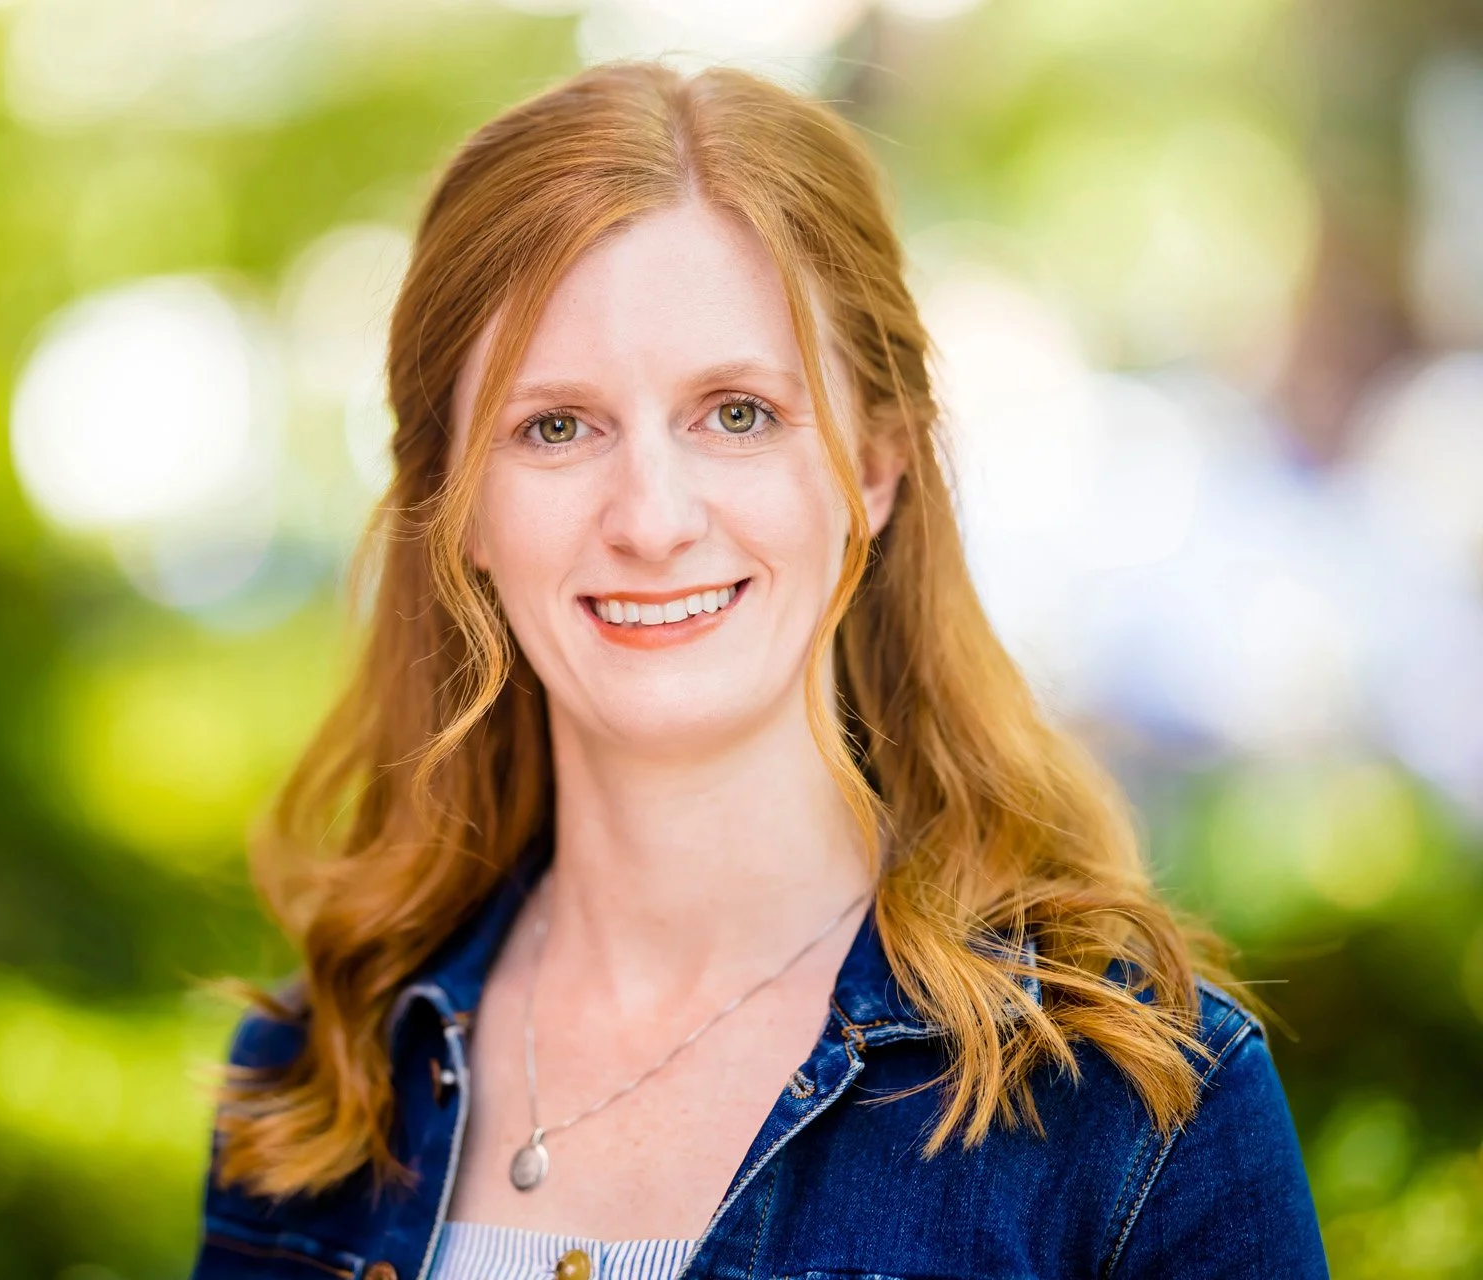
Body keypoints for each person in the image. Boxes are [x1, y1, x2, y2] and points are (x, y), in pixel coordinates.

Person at [188, 59, 1329, 1280]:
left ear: (877, 466)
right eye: (555, 426)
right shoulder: (328, 1075)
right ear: (457, 505)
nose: (651, 517)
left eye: (735, 412)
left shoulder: (1133, 1110)